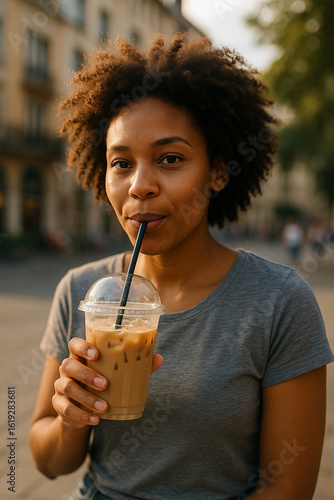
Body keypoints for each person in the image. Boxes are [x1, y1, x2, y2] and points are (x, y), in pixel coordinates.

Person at [29, 33, 334, 499]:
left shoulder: (279, 302)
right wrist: (72, 416)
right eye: (121, 163)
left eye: (170, 159)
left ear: (217, 172)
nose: (140, 186)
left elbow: (288, 490)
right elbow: (46, 462)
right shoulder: (81, 290)